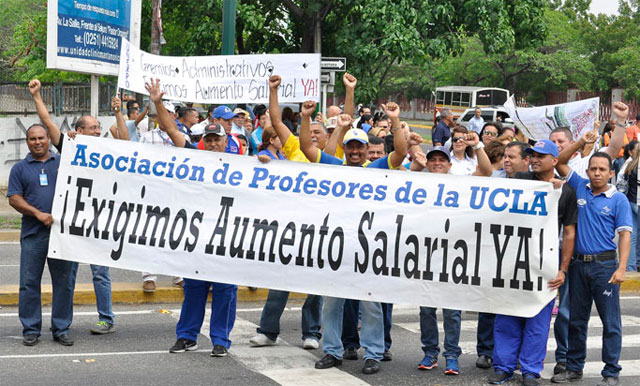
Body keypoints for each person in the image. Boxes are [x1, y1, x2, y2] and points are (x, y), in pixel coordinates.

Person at [301, 99, 407, 375]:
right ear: (345, 149)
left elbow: (400, 154)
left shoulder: (376, 169)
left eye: (360, 146)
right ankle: (333, 352)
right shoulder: (333, 167)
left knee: (371, 304)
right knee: (333, 304)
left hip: (368, 249)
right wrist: (304, 117)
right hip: (337, 247)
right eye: (352, 146)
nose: (357, 151)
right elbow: (305, 148)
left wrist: (395, 121)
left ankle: (372, 353)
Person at [145, 78, 238, 358]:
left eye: (216, 140)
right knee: (194, 287)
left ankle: (220, 340)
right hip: (197, 235)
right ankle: (187, 337)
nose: (211, 144)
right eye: (207, 139)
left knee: (225, 290)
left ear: (225, 141)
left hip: (227, 236)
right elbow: (171, 128)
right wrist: (158, 102)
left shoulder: (241, 164)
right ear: (202, 141)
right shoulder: (192, 157)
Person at [29, 78, 117, 335]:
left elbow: (125, 138)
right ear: (78, 130)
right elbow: (48, 124)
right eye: (91, 127)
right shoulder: (70, 148)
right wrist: (36, 96)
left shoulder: (108, 152)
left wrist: (119, 113)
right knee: (68, 276)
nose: (97, 131)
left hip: (98, 220)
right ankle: (62, 325)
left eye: (98, 127)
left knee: (100, 272)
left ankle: (106, 319)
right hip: (73, 222)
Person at [246, 75, 326, 351]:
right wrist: (273, 91)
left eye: (318, 133)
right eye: (309, 132)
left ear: (326, 139)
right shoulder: (294, 151)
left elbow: (345, 121)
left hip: (321, 231)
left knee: (316, 286)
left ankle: (311, 333)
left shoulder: (333, 159)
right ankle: (268, 331)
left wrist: (349, 92)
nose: (313, 136)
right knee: (279, 281)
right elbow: (277, 121)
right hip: (291, 229)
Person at [489, 140, 577, 386]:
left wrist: (563, 269)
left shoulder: (565, 192)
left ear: (554, 161)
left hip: (544, 266)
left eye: (541, 155)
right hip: (511, 263)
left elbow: (569, 233)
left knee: (538, 321)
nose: (535, 159)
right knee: (507, 316)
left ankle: (530, 370)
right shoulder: (518, 182)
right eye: (532, 155)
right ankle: (503, 367)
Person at [551, 129, 632, 386]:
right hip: (577, 266)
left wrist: (621, 268)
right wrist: (580, 142)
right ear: (587, 171)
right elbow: (560, 162)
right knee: (576, 321)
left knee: (611, 323)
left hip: (605, 266)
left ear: (611, 173)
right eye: (592, 169)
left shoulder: (618, 200)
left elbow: (625, 235)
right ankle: (574, 368)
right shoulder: (579, 188)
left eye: (602, 169)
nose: (596, 173)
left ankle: (611, 372)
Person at [7, 123, 76, 347]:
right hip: (33, 234)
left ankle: (61, 328)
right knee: (28, 283)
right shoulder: (19, 168)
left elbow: (87, 168)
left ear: (49, 139)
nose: (37, 142)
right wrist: (37, 213)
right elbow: (14, 198)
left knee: (64, 283)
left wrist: (77, 141)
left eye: (41, 138)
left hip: (62, 235)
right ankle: (31, 328)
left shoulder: (64, 161)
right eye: (32, 139)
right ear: (27, 142)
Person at [617, 141, 640, 272]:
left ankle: (630, 267)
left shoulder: (630, 164)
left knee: (631, 236)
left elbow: (621, 183)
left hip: (631, 202)